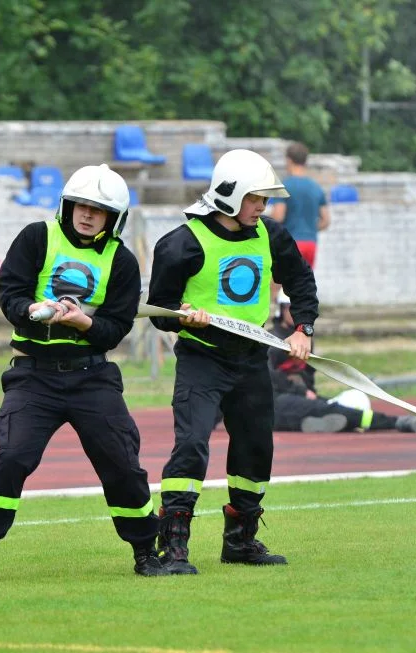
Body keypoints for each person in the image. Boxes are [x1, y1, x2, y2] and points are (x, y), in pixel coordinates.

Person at [0, 163, 169, 581]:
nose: (87, 213)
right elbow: (11, 294)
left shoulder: (123, 261)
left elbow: (115, 329)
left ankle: (146, 552)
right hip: (33, 376)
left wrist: (83, 324)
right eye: (81, 204)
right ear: (67, 204)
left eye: (98, 209)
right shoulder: (36, 237)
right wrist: (31, 311)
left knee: (122, 464)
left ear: (114, 218)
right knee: (13, 457)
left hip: (92, 377)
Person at [147, 148, 319, 574]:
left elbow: (299, 279)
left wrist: (303, 329)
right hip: (201, 359)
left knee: (256, 449)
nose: (262, 206)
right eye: (255, 198)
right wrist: (183, 314)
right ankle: (174, 546)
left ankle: (241, 542)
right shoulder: (180, 243)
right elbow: (160, 310)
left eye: (264, 199)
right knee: (191, 445)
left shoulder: (272, 235)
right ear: (229, 195)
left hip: (251, 359)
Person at [269, 294, 416, 434]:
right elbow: (268, 376)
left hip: (299, 399)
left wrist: (309, 393)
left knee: (348, 403)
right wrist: (302, 392)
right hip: (275, 402)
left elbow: (309, 373)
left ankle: (318, 422)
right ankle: (396, 422)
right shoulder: (272, 339)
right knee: (325, 409)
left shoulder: (304, 339)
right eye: (291, 307)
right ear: (281, 310)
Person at [269, 141, 330, 268]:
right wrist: (309, 228)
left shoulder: (285, 186)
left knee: (278, 285)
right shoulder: (316, 187)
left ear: (289, 160)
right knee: (302, 285)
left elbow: (278, 216)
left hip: (291, 244)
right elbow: (326, 220)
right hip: (311, 245)